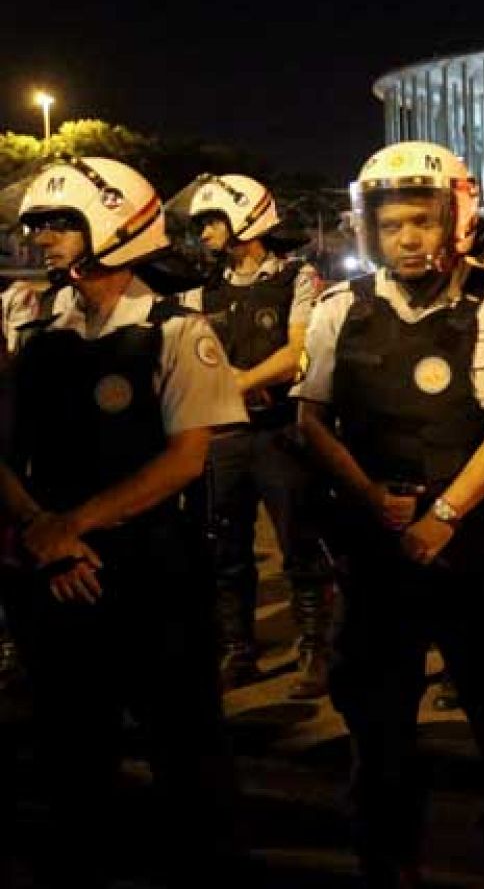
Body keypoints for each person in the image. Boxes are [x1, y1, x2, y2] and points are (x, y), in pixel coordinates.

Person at [294, 140, 484, 886]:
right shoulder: (339, 310)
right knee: (377, 731)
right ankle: (388, 856)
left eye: (422, 221)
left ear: (457, 220)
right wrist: (375, 502)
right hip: (379, 554)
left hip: (476, 550)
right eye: (392, 224)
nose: (406, 237)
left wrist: (445, 512)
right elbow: (311, 419)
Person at [0, 157, 244, 885]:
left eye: (60, 224)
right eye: (39, 225)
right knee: (70, 753)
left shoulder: (175, 329)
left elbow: (183, 460)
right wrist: (45, 532)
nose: (44, 239)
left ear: (117, 222)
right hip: (55, 570)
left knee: (184, 748)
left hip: (150, 569)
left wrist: (67, 525)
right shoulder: (37, 333)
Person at [178, 173, 336, 697]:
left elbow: (297, 354)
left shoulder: (298, 277)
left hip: (278, 435)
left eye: (211, 222)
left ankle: (315, 647)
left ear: (246, 219)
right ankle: (237, 650)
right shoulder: (203, 288)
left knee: (300, 542)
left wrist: (235, 384)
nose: (202, 234)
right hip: (222, 437)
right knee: (225, 549)